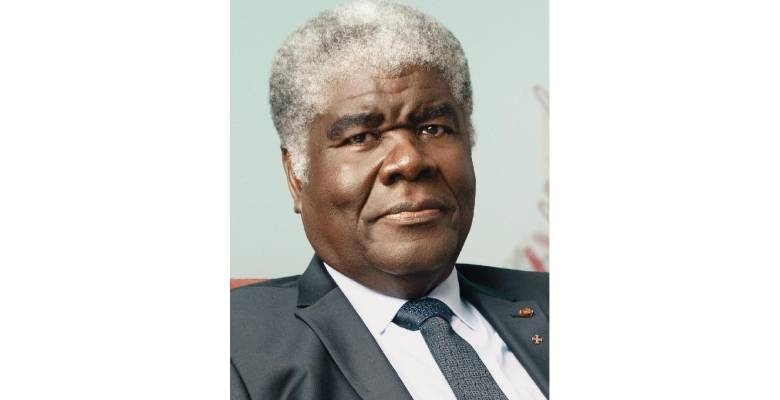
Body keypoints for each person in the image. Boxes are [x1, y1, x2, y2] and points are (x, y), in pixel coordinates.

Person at [230, 2, 549, 399]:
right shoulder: (236, 346)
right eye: (361, 137)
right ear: (296, 174)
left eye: (433, 128)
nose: (410, 161)